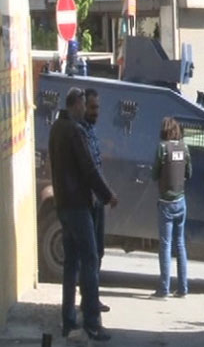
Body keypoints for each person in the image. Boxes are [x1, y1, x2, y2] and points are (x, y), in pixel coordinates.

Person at [49, 87, 117, 341]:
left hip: (64, 204)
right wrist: (108, 195)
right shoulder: (76, 131)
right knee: (89, 259)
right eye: (84, 105)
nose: (85, 110)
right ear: (77, 104)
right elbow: (89, 169)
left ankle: (68, 321)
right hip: (78, 204)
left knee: (71, 264)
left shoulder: (57, 128)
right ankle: (91, 322)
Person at [151, 117, 192, 299]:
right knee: (180, 244)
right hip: (181, 202)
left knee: (165, 246)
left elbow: (154, 174)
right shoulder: (184, 148)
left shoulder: (162, 148)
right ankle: (183, 288)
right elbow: (189, 173)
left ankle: (163, 289)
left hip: (166, 203)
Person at [80, 88, 110, 313]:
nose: (95, 112)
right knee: (89, 254)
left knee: (98, 251)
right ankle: (88, 301)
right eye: (92, 107)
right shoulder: (80, 132)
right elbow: (89, 169)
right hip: (88, 201)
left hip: (97, 200)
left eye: (97, 107)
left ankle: (92, 298)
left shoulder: (90, 131)